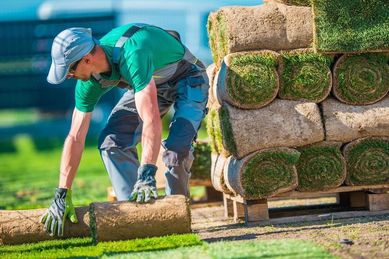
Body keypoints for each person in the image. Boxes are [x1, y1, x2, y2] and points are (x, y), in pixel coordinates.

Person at [40, 24, 209, 237]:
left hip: (189, 78)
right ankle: (139, 218)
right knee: (111, 143)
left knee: (176, 151)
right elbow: (75, 136)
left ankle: (175, 220)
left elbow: (151, 120)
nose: (69, 76)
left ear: (86, 59)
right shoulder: (89, 82)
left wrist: (147, 172)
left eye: (70, 70)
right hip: (148, 84)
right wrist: (62, 193)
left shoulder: (133, 53)